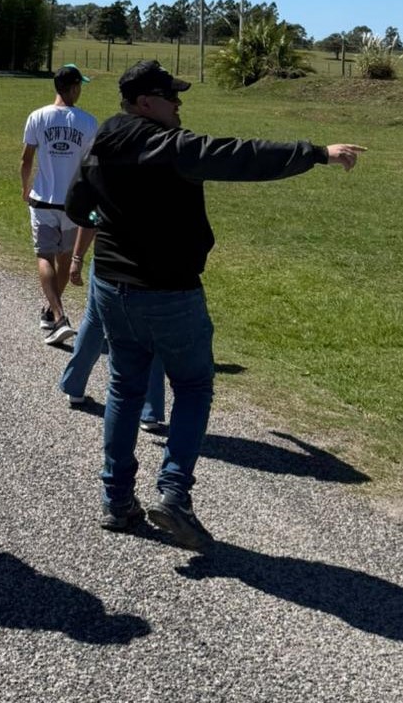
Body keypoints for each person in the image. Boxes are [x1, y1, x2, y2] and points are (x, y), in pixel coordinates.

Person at [66, 59, 364, 552]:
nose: (180, 103)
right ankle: (174, 494)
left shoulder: (100, 144)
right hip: (170, 291)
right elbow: (238, 155)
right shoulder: (168, 146)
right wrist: (317, 153)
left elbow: (79, 208)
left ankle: (116, 501)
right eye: (171, 96)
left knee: (123, 388)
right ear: (145, 103)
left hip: (113, 288)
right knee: (194, 387)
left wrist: (110, 217)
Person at [59, 227, 168, 432]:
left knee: (94, 322)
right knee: (151, 331)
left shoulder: (105, 192)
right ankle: (149, 411)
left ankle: (74, 385)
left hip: (109, 260)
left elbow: (90, 218)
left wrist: (77, 257)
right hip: (151, 265)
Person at [20, 64, 99, 346]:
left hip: (42, 200)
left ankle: (57, 314)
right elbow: (93, 166)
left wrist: (24, 187)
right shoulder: (89, 122)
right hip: (74, 204)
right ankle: (53, 313)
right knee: (64, 258)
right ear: (74, 88)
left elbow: (26, 158)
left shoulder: (37, 117)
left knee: (44, 256)